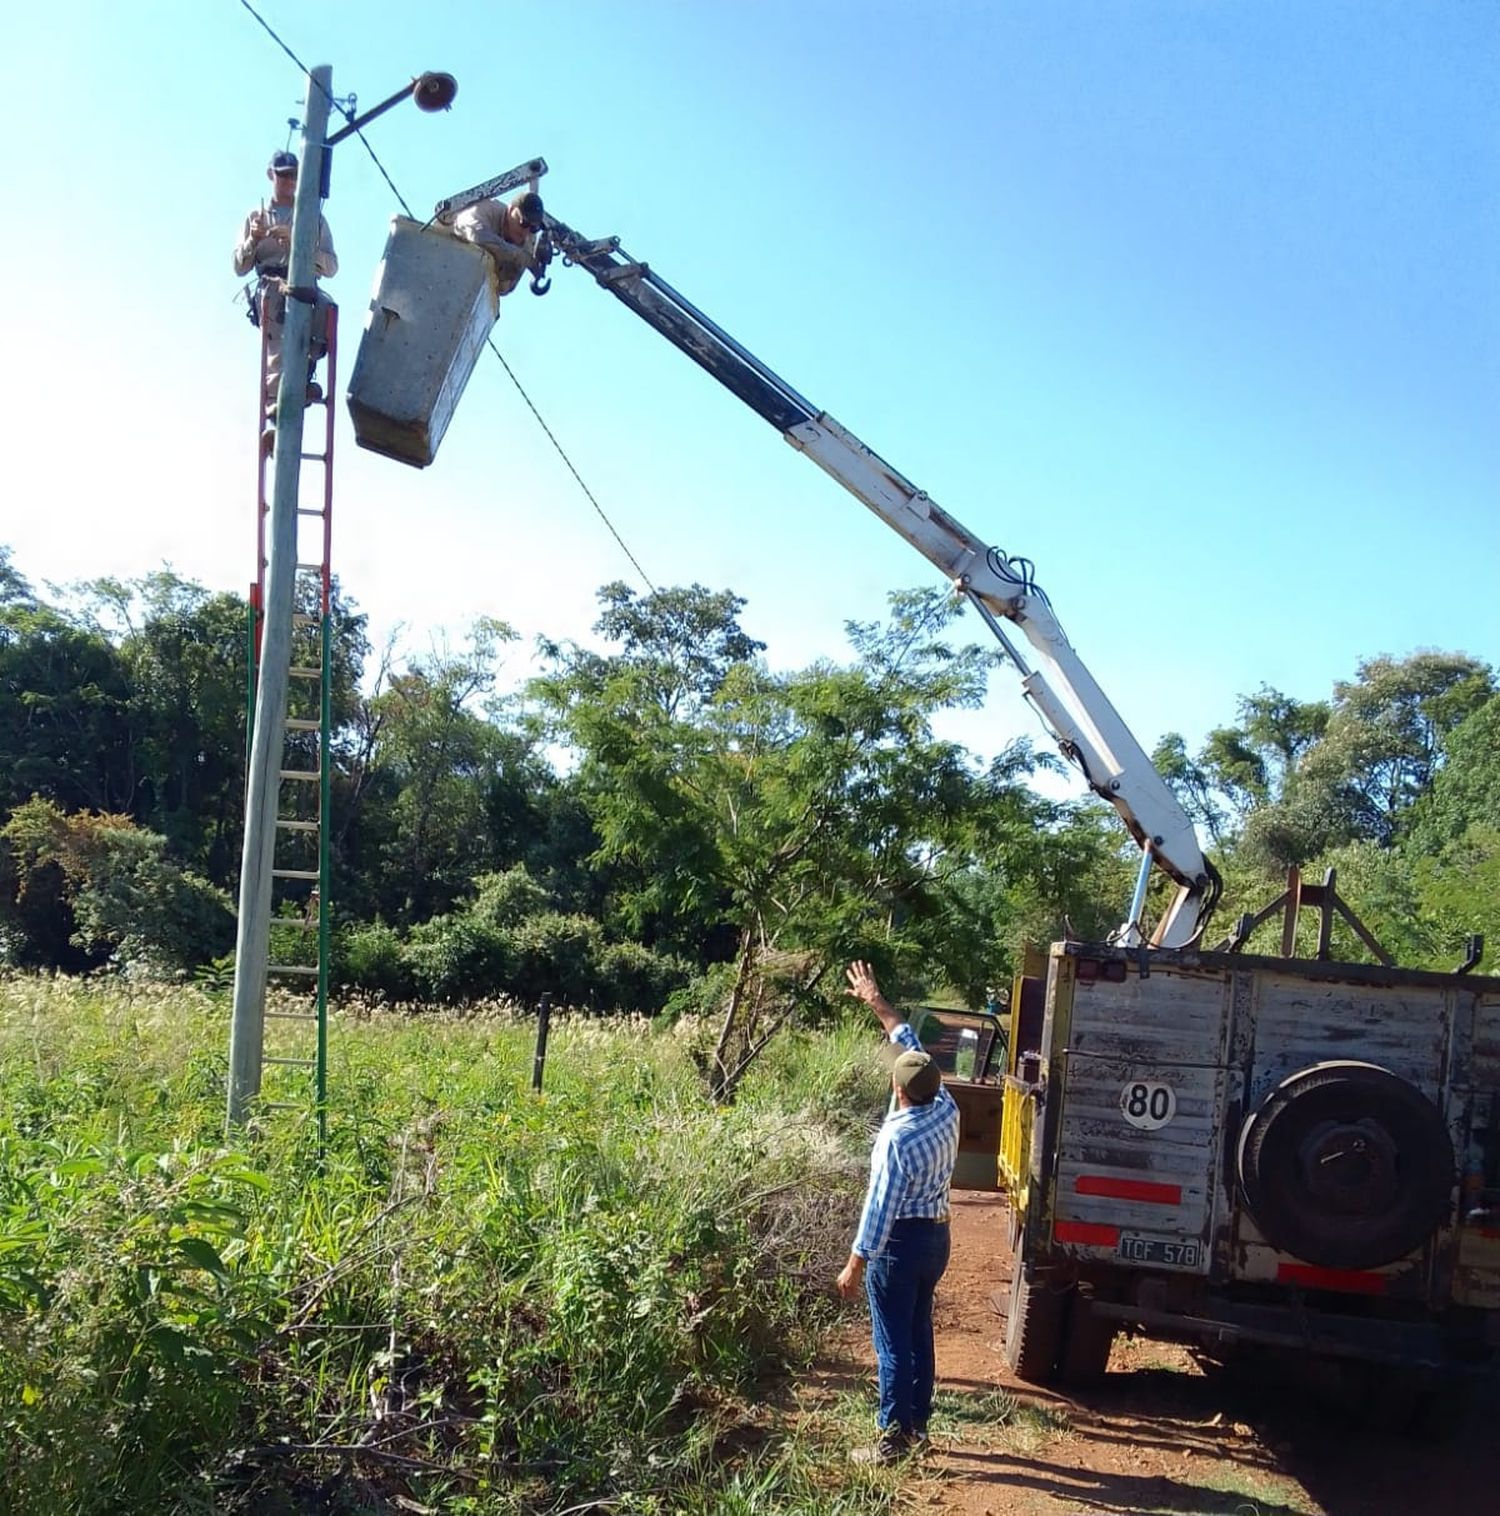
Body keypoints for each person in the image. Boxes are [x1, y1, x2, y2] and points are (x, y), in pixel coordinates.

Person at [837, 959, 961, 1467]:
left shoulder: (896, 1138)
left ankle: (893, 1438)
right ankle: (919, 1427)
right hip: (936, 1241)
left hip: (901, 1246)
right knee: (918, 1332)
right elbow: (908, 1041)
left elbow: (879, 1208)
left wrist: (855, 1262)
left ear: (896, 1090)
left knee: (892, 1343)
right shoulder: (946, 1104)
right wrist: (875, 1000)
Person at [232, 150, 338, 428]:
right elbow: (238, 266)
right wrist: (252, 241)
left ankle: (302, 381)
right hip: (271, 287)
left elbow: (331, 266)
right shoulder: (256, 215)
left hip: (303, 284)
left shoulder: (312, 218)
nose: (290, 181)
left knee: (324, 309)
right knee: (279, 314)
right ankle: (273, 404)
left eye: (294, 175)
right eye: (284, 175)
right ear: (272, 176)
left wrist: (298, 244)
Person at [449, 190, 546, 295]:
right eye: (524, 223)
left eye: (534, 228)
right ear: (511, 210)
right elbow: (476, 235)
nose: (526, 232)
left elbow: (504, 289)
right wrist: (519, 256)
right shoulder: (487, 209)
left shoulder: (527, 242)